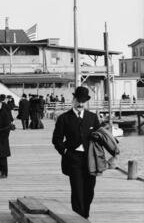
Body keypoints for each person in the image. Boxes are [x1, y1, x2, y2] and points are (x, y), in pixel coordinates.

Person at [52, 86, 101, 219]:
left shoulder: (92, 117)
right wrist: (65, 152)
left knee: (89, 190)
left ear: (86, 102)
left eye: (83, 101)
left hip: (90, 159)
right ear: (73, 100)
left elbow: (100, 137)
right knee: (77, 191)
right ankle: (78, 218)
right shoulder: (64, 118)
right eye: (78, 100)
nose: (80, 104)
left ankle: (85, 215)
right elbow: (56, 139)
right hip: (73, 159)